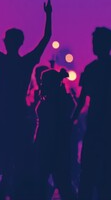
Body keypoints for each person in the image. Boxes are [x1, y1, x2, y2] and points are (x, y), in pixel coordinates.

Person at [0, 0, 52, 199]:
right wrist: (48, 16)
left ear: (6, 42)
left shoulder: (0, 60)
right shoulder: (26, 62)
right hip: (18, 117)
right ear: (20, 42)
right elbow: (46, 39)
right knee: (17, 160)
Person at [72, 27, 111, 200]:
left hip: (96, 127)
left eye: (95, 41)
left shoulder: (91, 69)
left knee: (88, 173)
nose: (93, 45)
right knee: (108, 172)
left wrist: (72, 120)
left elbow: (82, 100)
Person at [35, 69, 77, 200]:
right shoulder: (64, 100)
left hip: (51, 146)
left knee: (49, 183)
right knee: (62, 184)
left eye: (44, 82)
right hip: (57, 146)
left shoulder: (56, 102)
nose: (42, 84)